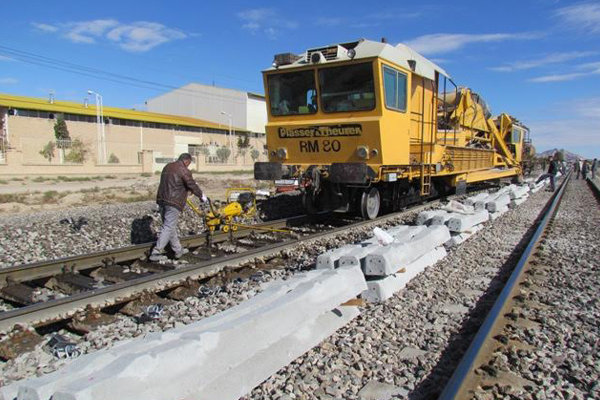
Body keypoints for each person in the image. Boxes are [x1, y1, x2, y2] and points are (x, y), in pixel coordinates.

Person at [150, 153, 207, 261]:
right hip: (173, 202)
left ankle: (178, 250)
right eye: (189, 164)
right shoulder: (183, 170)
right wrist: (201, 195)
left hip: (162, 199)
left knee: (170, 226)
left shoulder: (167, 166)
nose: (188, 166)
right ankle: (156, 252)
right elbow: (191, 184)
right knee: (168, 227)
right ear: (186, 161)